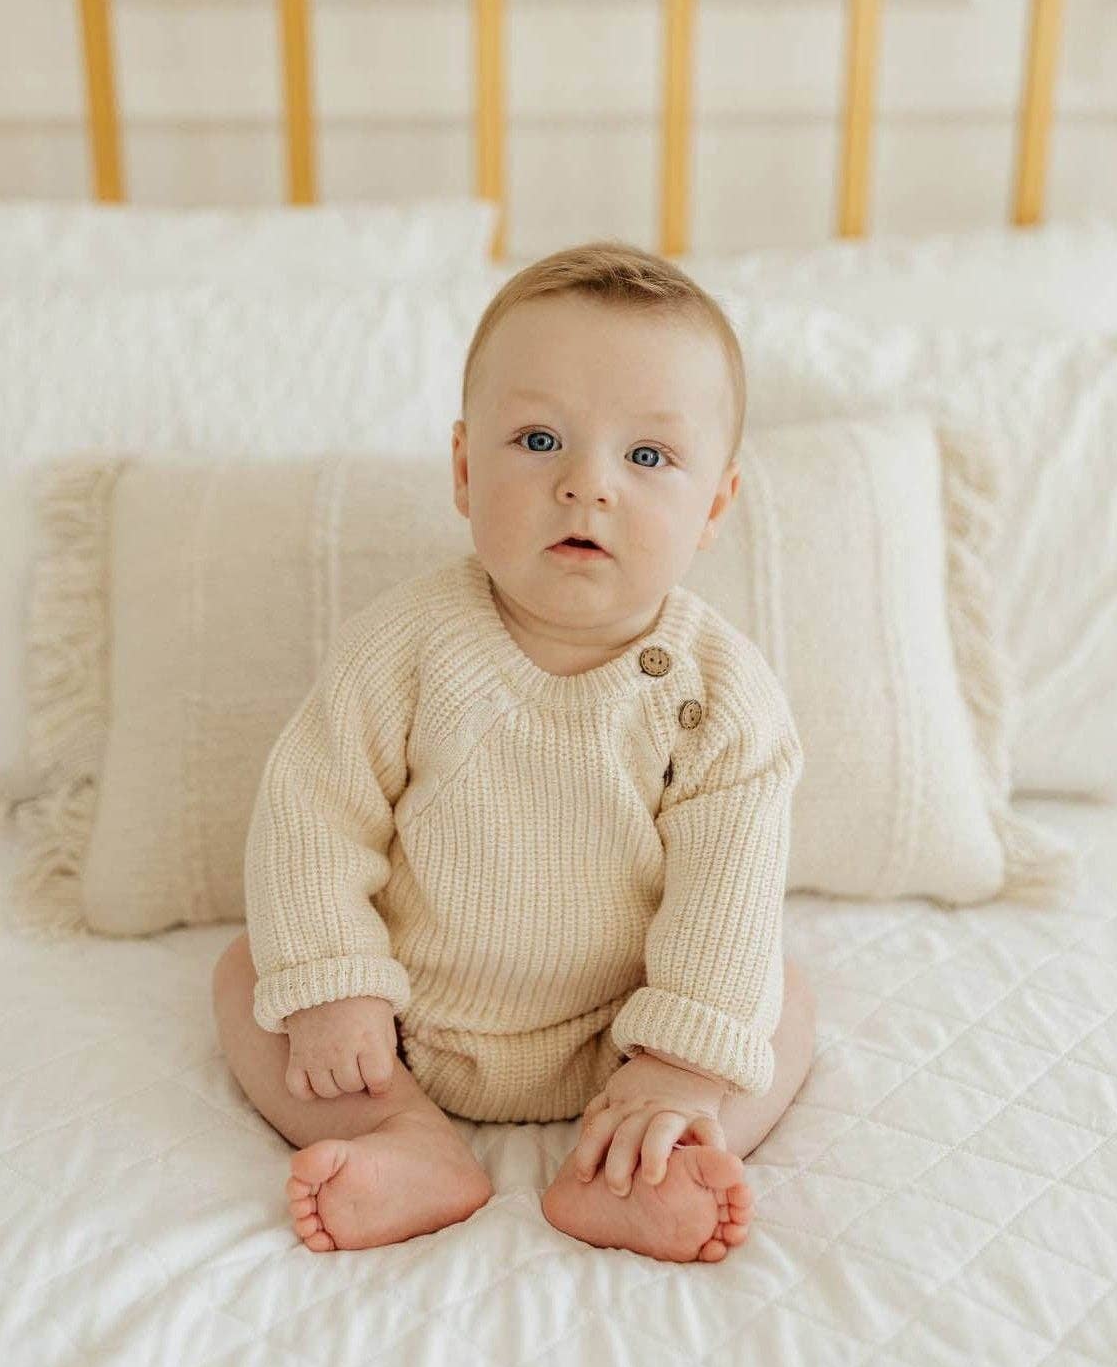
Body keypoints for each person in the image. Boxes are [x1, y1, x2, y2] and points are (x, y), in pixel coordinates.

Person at [211, 239, 816, 1264]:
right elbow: (310, 813)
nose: (586, 486)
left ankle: (643, 1155)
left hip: (621, 1031)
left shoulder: (725, 695)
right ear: (461, 467)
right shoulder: (401, 649)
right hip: (401, 1025)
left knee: (778, 998)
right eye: (538, 440)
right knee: (247, 978)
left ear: (713, 505)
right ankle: (397, 1136)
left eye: (647, 457)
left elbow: (730, 886)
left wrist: (676, 1061)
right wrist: (334, 987)